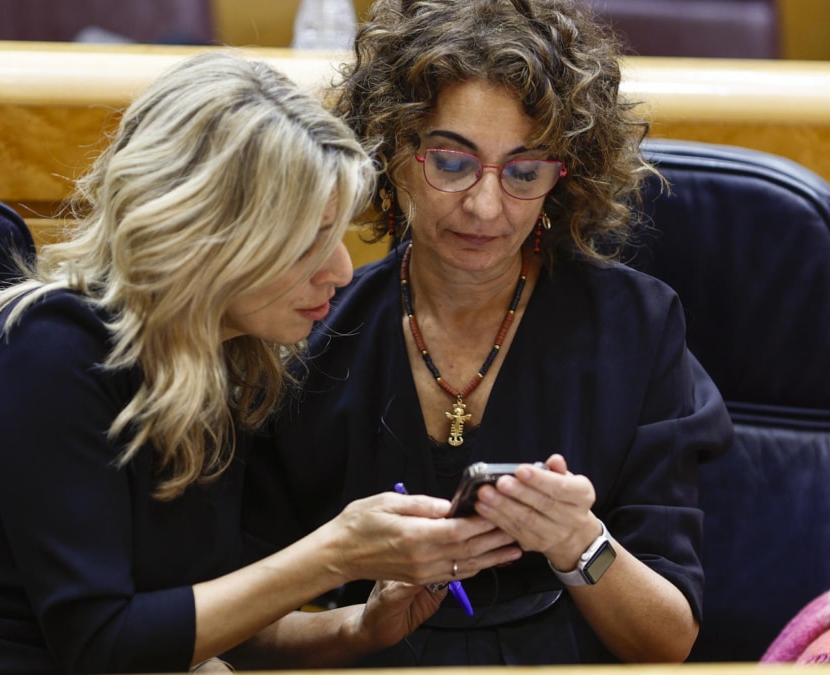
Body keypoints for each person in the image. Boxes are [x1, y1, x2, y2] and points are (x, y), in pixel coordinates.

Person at [0, 52, 522, 675]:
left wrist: (359, 627)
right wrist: (334, 555)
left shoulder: (226, 365)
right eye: (307, 240)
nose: (338, 270)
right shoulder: (52, 348)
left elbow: (193, 619)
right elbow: (104, 642)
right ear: (209, 237)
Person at [242, 0, 735, 666]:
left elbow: (667, 640)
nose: (485, 205)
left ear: (564, 178)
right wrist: (360, 617)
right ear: (391, 152)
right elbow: (233, 625)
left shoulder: (635, 327)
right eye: (451, 163)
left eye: (525, 172)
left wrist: (579, 543)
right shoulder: (313, 333)